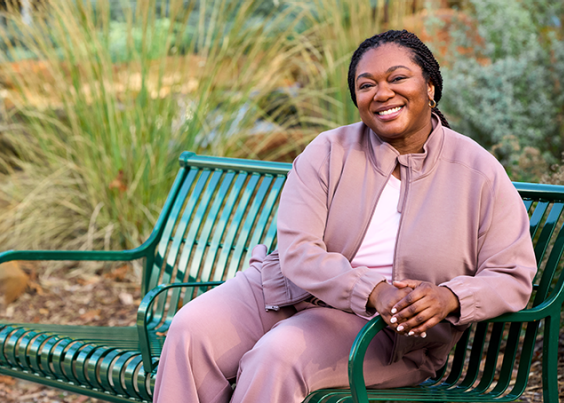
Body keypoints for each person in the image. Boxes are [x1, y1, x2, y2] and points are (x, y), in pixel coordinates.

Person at [151, 30, 538, 402]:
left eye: (398, 78)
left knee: (278, 355)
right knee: (190, 329)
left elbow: (512, 275)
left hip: (388, 332)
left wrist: (449, 296)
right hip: (284, 292)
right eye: (366, 85)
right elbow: (299, 250)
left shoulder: (478, 172)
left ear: (431, 88)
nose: (382, 93)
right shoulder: (328, 150)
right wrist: (372, 290)